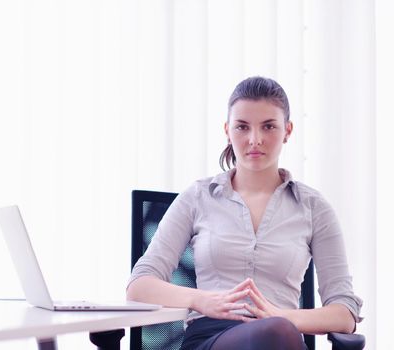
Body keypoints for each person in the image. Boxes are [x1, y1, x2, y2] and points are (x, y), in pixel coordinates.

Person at [127, 76, 363, 350]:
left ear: (287, 130)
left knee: (276, 332)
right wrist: (200, 299)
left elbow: (345, 313)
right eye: (242, 127)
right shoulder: (197, 198)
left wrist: (283, 316)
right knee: (276, 333)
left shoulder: (313, 208)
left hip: (282, 335)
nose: (255, 140)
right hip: (211, 339)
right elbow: (139, 287)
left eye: (268, 126)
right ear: (227, 130)